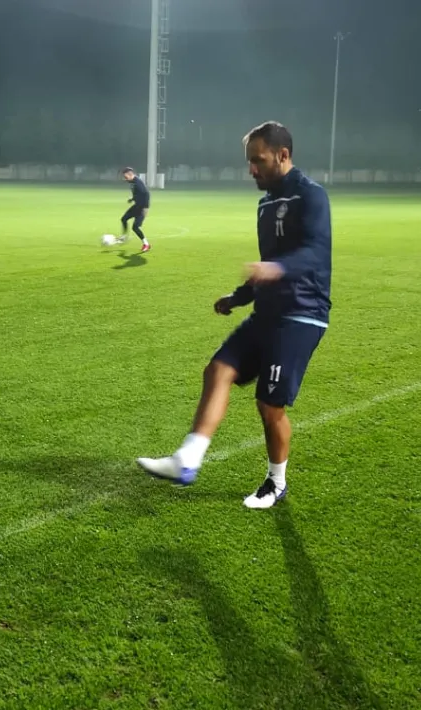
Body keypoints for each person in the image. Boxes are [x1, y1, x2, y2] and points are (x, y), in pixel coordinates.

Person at [136, 121, 331, 509]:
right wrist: (239, 296)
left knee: (269, 405)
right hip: (267, 311)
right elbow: (266, 262)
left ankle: (276, 483)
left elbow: (315, 252)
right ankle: (186, 459)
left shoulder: (311, 196)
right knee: (218, 370)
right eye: (249, 162)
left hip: (301, 314)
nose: (251, 170)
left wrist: (277, 270)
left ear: (283, 155)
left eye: (258, 161)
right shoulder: (265, 203)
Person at [118, 167, 151, 253]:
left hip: (141, 208)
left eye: (126, 177)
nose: (125, 179)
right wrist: (132, 199)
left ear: (130, 174)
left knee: (135, 227)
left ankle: (146, 244)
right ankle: (124, 237)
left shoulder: (138, 182)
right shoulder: (132, 182)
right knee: (123, 219)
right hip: (136, 206)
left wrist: (146, 208)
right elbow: (138, 194)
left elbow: (146, 194)